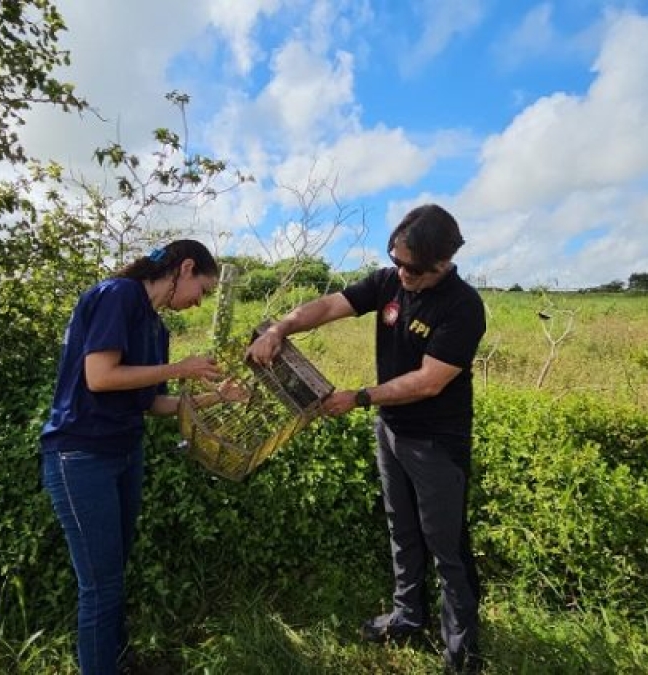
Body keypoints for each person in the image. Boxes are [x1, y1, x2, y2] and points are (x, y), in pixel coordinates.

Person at [246, 204, 486, 673]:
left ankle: (463, 651)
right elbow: (331, 305)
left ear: (444, 260)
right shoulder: (389, 282)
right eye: (395, 259)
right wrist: (281, 327)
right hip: (392, 431)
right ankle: (406, 616)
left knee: (446, 544)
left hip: (436, 441)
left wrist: (359, 397)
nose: (402, 273)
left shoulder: (463, 306)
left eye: (413, 268)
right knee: (401, 528)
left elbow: (430, 381)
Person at [40, 239, 240, 675]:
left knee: (113, 574)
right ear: (185, 268)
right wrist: (179, 370)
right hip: (81, 456)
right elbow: (101, 376)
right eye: (201, 290)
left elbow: (153, 403)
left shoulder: (157, 327)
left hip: (124, 454)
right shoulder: (118, 295)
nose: (198, 302)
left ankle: (115, 659)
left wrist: (215, 397)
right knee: (100, 585)